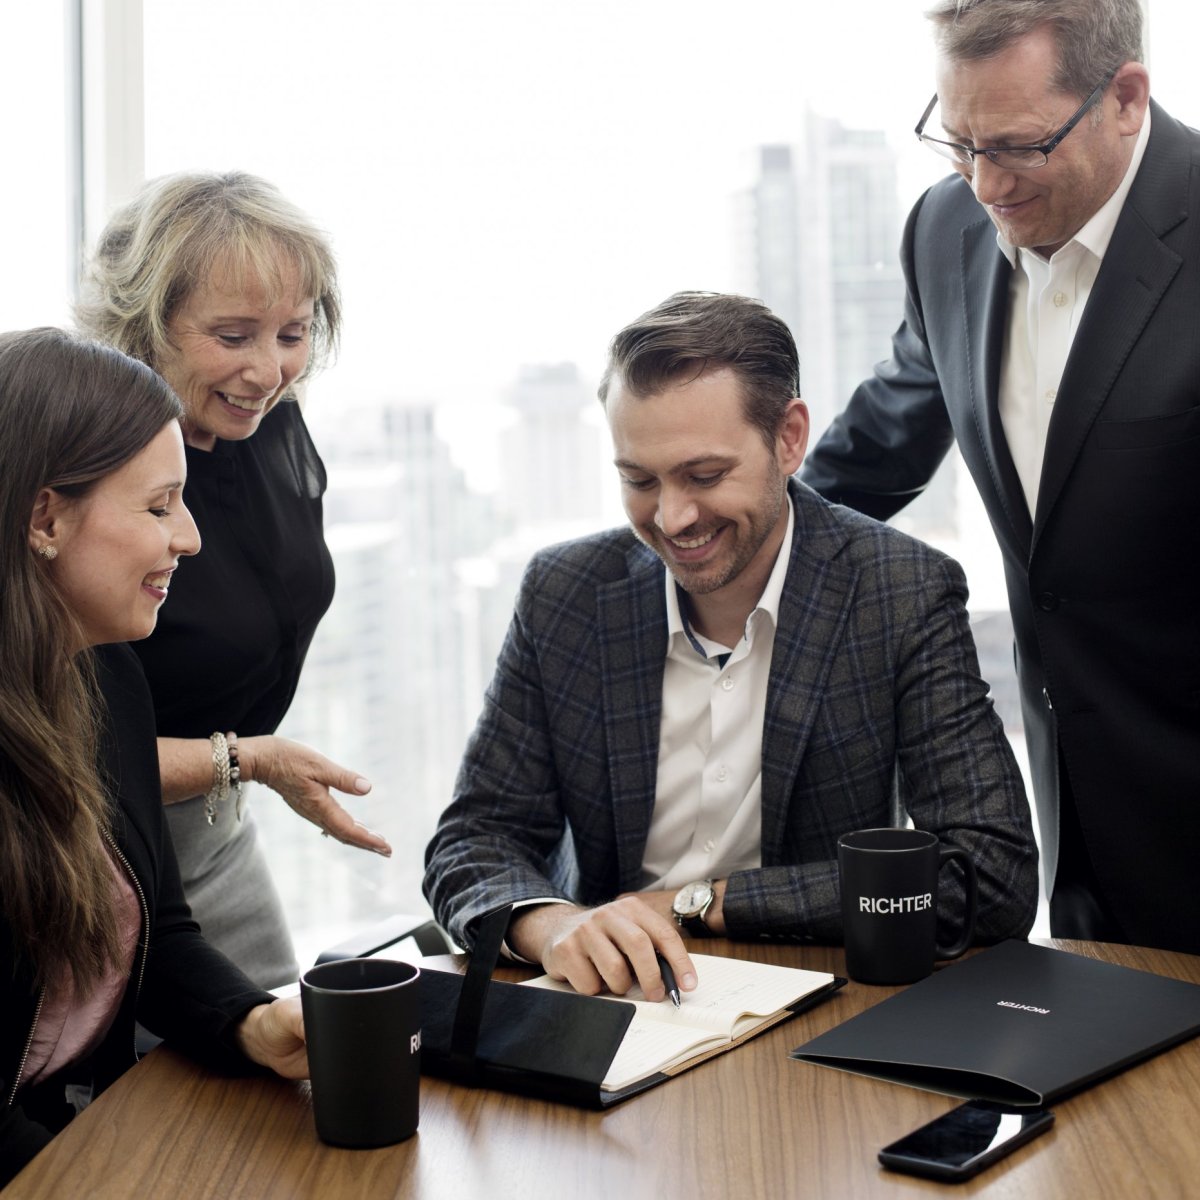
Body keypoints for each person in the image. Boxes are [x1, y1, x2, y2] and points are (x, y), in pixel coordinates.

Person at [423, 292, 1037, 1001]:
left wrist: (707, 903)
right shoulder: (563, 593)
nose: (673, 517)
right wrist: (554, 926)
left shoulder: (899, 591)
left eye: (704, 476)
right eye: (639, 481)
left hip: (819, 1003)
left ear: (789, 438)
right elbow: (473, 839)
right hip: (614, 1007)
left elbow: (991, 875)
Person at [800, 0, 1198, 953]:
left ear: (1127, 99)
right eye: (957, 140)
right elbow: (874, 452)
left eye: (1017, 146)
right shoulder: (943, 232)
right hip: (1077, 818)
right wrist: (717, 546)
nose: (983, 184)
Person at [0, 328, 308, 1188]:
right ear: (45, 518)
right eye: (160, 504)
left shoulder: (108, 680)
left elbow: (159, 934)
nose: (191, 538)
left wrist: (252, 1021)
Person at [77, 171, 392, 989]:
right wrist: (249, 759)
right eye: (233, 336)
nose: (268, 370)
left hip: (215, 825)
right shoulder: (82, 469)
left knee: (279, 1068)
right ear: (143, 326)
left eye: (292, 333)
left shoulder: (266, 422)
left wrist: (245, 767)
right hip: (89, 844)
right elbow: (60, 754)